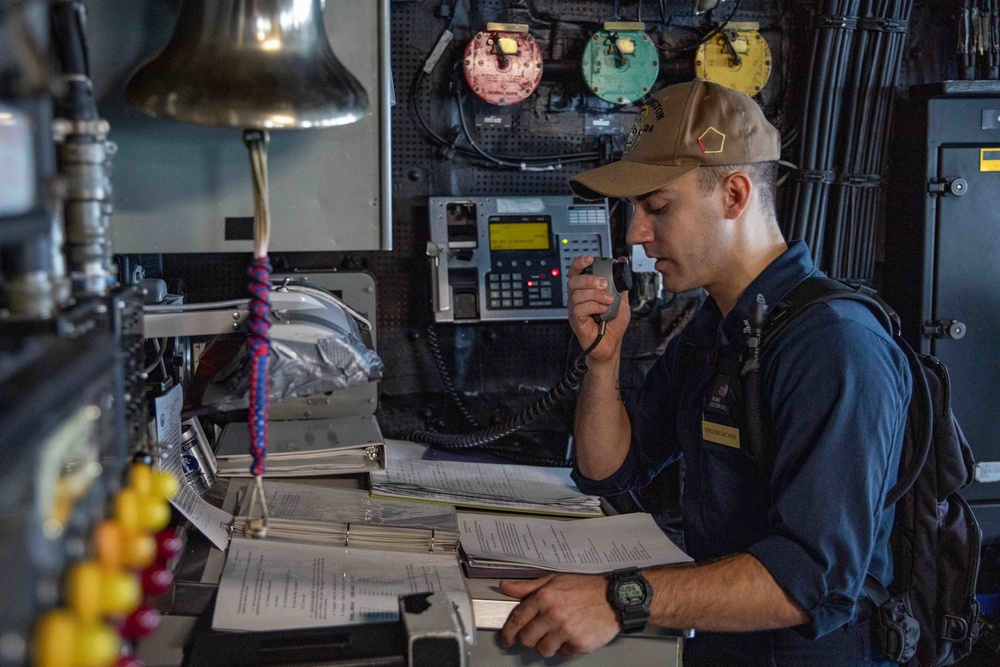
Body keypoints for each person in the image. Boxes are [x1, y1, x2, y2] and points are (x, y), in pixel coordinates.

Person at [497, 79, 912, 666]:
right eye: (633, 211)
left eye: (657, 207)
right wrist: (603, 361)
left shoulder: (833, 345)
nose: (636, 235)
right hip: (720, 642)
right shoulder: (718, 327)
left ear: (735, 195)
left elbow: (811, 580)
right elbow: (607, 469)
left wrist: (620, 598)